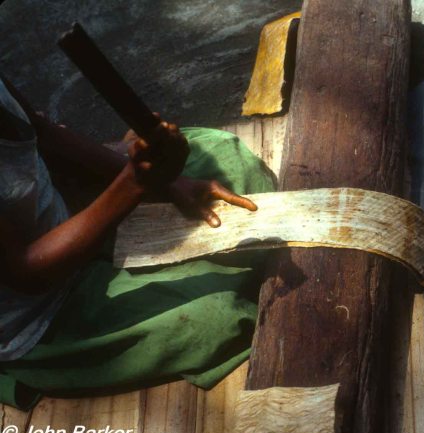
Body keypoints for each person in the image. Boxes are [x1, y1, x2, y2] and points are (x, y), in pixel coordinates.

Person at [0, 75, 276, 410]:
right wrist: (135, 182)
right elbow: (26, 273)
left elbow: (44, 134)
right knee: (223, 312)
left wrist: (169, 183)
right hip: (43, 311)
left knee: (221, 150)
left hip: (67, 210)